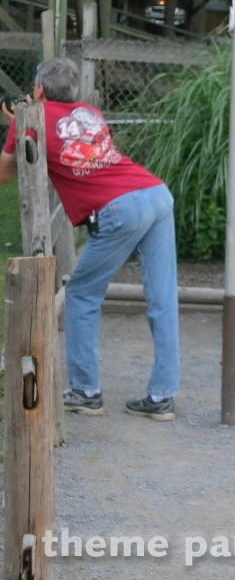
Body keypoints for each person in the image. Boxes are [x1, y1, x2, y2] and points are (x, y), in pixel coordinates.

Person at [0, 58, 180, 421]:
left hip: (119, 209)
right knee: (162, 297)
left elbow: (4, 174)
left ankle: (85, 390)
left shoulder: (28, 121)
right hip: (155, 193)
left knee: (81, 294)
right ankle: (163, 394)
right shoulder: (90, 113)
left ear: (37, 89)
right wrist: (19, 123)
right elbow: (71, 138)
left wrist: (16, 125)